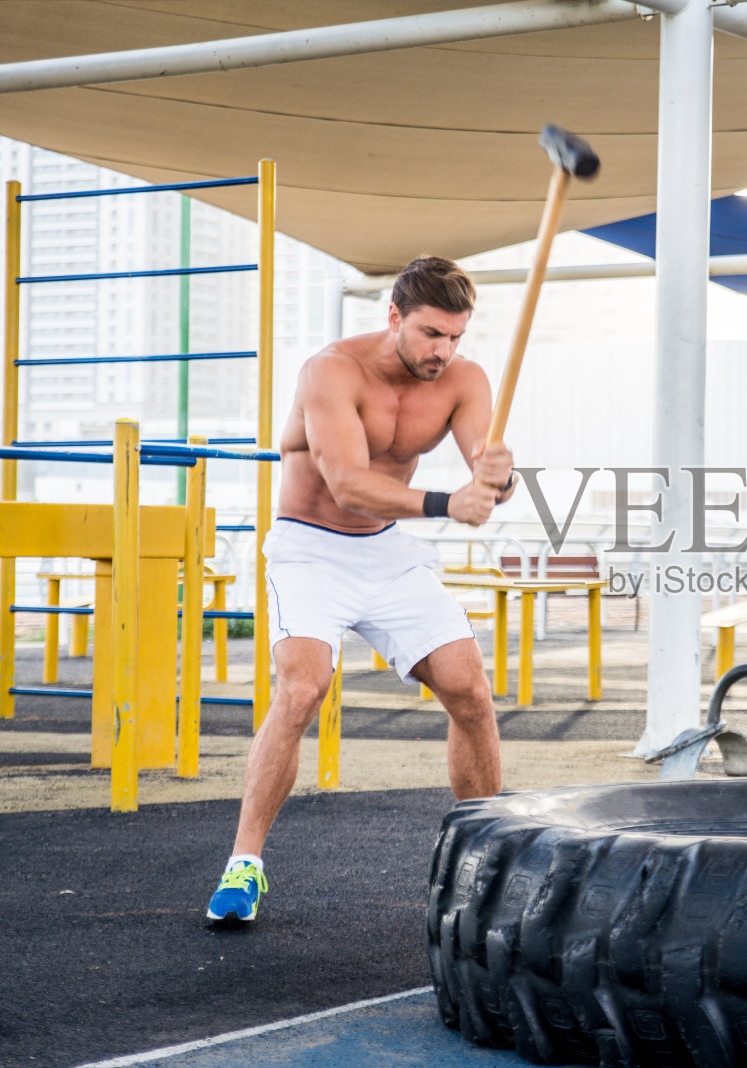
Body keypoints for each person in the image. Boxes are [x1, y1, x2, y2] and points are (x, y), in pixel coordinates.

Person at [206, 256, 515, 924]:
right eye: (432, 333)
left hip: (385, 550)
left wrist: (500, 476)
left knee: (469, 688)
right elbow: (346, 482)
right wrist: (446, 503)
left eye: (456, 337)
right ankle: (244, 865)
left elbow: (481, 474)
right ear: (395, 316)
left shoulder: (465, 380)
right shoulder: (331, 370)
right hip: (310, 547)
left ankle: (484, 859)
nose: (444, 350)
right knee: (302, 688)